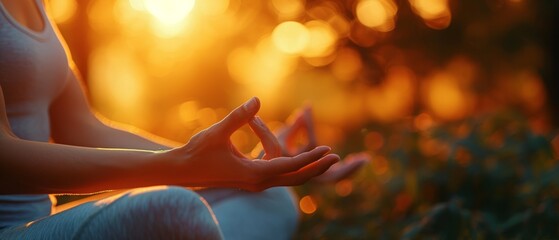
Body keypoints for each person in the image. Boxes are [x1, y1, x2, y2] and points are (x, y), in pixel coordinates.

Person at [0, 0, 369, 239]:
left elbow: (81, 127)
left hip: (39, 222)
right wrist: (181, 167)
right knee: (174, 209)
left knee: (270, 199)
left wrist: (235, 167)